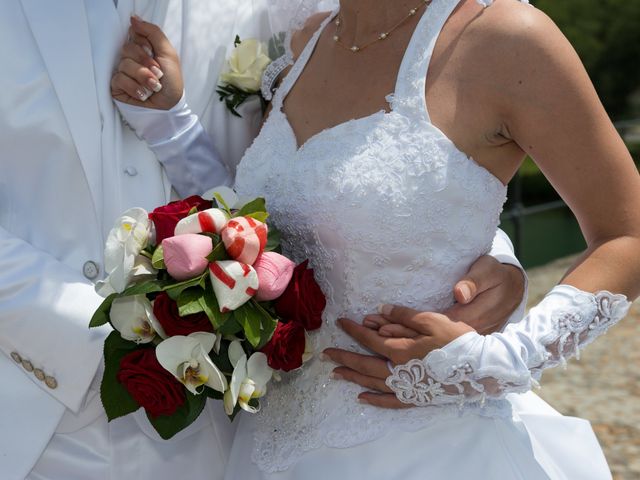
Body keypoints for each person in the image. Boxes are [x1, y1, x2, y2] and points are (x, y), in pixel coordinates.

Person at [118, 0, 640, 477]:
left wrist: (499, 360)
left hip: (433, 449)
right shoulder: (301, 46)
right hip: (269, 450)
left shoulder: (503, 40)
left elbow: (627, 233)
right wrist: (170, 124)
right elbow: (269, 229)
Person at [0, 1, 270, 479]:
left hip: (213, 438)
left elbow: (286, 207)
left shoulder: (270, 14)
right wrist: (90, 337)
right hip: (26, 422)